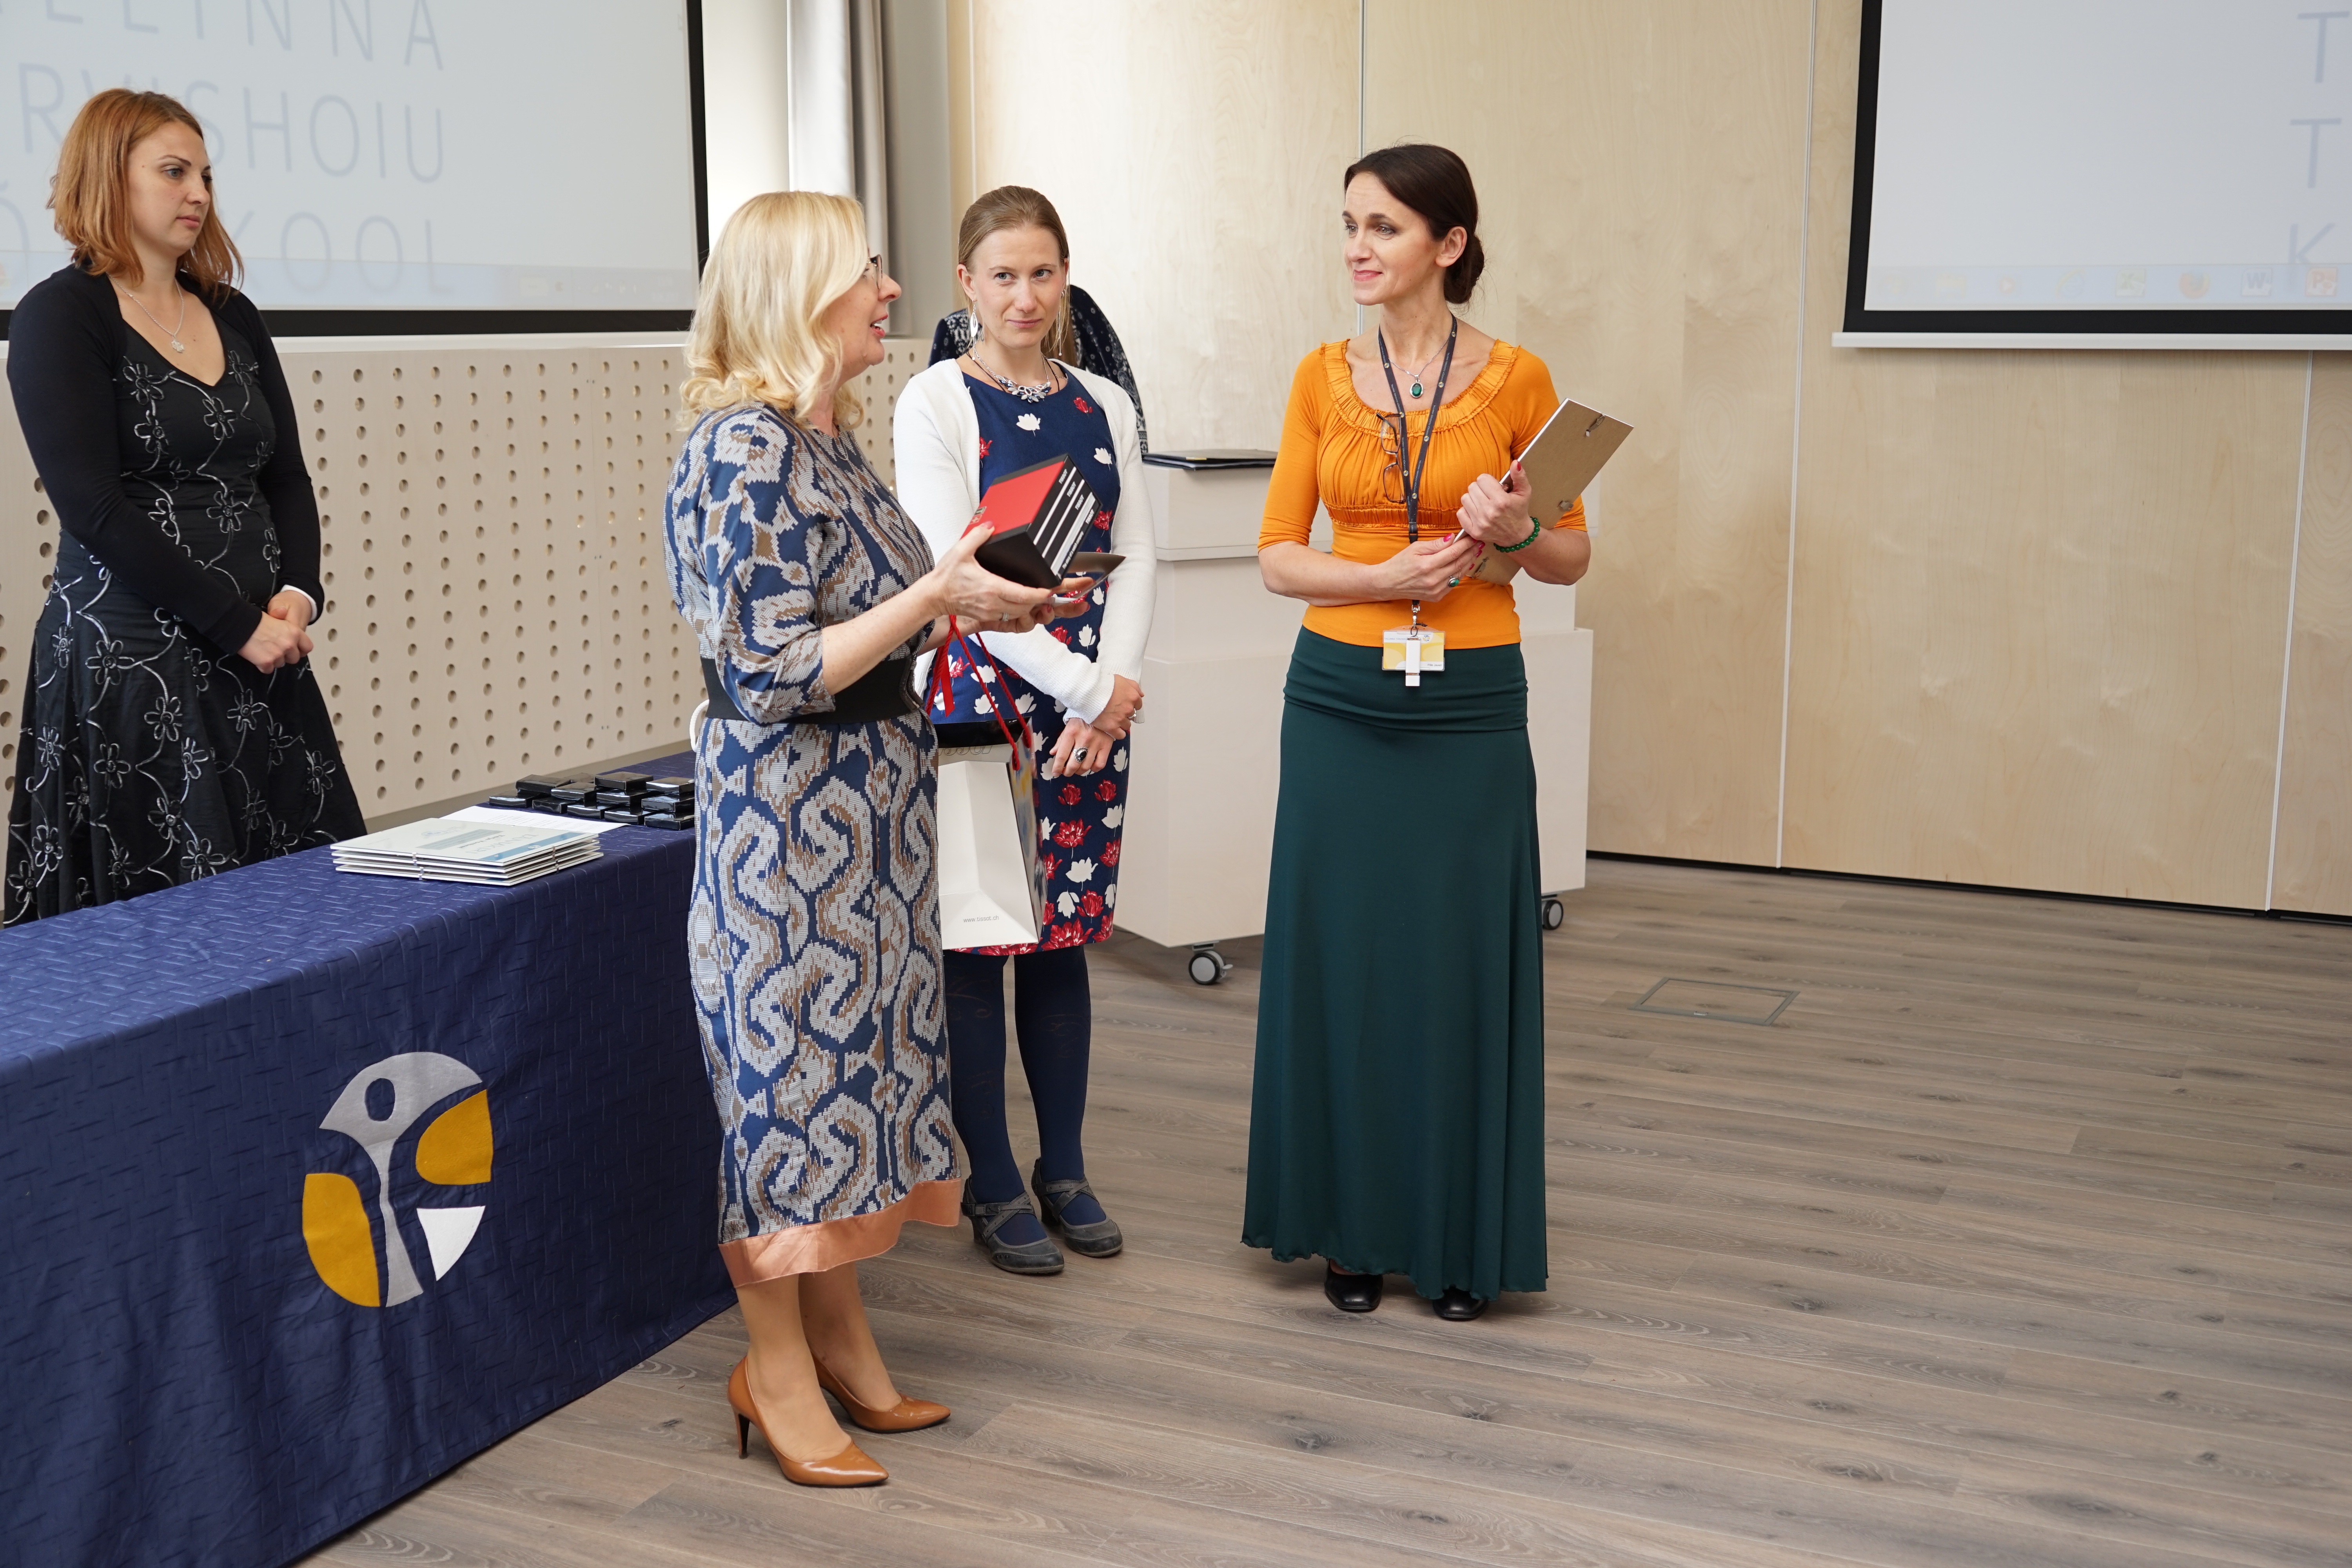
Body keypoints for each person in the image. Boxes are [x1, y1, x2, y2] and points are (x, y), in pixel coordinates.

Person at [664, 191, 1065, 1486]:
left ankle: (840, 1341)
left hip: (874, 831)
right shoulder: (743, 449)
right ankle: (773, 1369)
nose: (892, 291)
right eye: (867, 271)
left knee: (858, 1082)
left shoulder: (825, 436)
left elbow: (877, 618)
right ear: (798, 295)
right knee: (786, 1098)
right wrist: (935, 594)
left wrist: (973, 603)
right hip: (789, 836)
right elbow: (773, 669)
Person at [1244, 144, 1591, 1321]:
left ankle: (1455, 1238)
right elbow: (1278, 554)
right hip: (1338, 701)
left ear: (1448, 245)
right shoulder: (1318, 376)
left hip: (1471, 701)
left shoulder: (1522, 379)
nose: (1358, 247)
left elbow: (1570, 555)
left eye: (1384, 227)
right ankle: (1348, 1229)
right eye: (1350, 224)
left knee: (1456, 963)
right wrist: (1376, 576)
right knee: (1343, 957)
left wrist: (1519, 527)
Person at [4, 90, 363, 924]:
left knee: (307, 920)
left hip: (260, 655)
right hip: (134, 668)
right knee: (174, 935)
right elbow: (94, 507)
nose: (198, 193)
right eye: (174, 172)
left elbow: (285, 477)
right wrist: (236, 624)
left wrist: (298, 593)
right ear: (109, 176)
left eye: (205, 175)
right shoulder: (61, 315)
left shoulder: (233, 314)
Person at [893, 186, 1157, 1276]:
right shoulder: (935, 401)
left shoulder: (1106, 402)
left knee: (1062, 938)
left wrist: (1114, 688)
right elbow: (956, 579)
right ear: (968, 283)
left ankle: (1067, 1169)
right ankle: (993, 1178)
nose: (1025, 295)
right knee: (980, 939)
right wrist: (1087, 687)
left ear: (1065, 276)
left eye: (1043, 273)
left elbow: (1137, 554)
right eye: (1003, 275)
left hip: (1089, 707)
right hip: (978, 696)